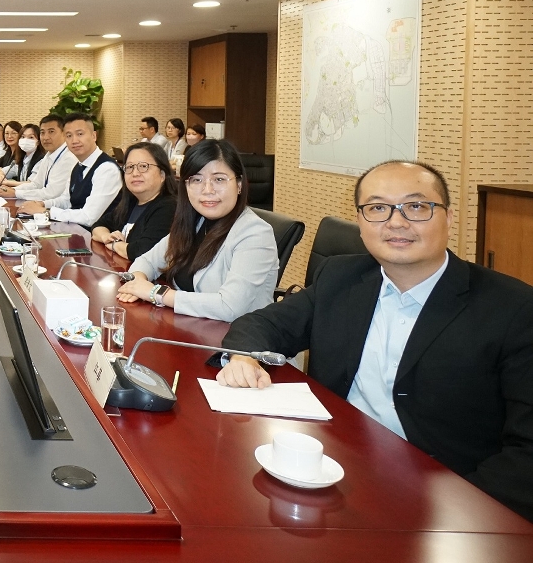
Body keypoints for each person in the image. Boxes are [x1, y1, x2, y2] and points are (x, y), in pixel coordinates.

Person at [216, 161, 533, 521]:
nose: (396, 222)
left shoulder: (513, 310)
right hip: (330, 472)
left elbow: (526, 454)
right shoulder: (341, 277)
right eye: (378, 208)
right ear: (361, 221)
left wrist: (460, 513)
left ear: (449, 217)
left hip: (438, 500)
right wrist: (244, 357)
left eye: (416, 206)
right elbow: (263, 324)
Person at [117, 139, 277, 322]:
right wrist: (137, 281)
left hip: (236, 335)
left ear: (239, 184)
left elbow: (229, 306)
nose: (207, 190)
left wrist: (155, 293)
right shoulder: (196, 221)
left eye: (219, 179)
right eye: (197, 180)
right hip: (189, 327)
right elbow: (147, 260)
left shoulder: (256, 233)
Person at [18, 112, 123, 229]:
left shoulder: (107, 169)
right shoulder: (78, 166)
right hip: (74, 230)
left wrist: (45, 212)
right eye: (69, 135)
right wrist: (41, 204)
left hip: (97, 236)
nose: (74, 140)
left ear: (94, 136)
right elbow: (66, 201)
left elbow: (88, 217)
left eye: (80, 134)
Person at [90, 142, 178, 260]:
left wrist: (115, 245)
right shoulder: (131, 203)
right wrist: (106, 237)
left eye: (143, 166)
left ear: (162, 174)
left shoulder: (169, 207)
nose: (135, 173)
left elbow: (143, 251)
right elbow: (98, 226)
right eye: (130, 167)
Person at [0, 114, 76, 202]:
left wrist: (16, 193)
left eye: (51, 131)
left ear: (64, 133)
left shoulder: (68, 158)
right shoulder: (48, 156)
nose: (45, 137)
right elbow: (36, 184)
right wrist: (13, 190)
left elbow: (51, 193)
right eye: (42, 132)